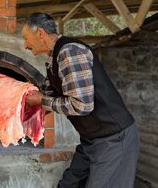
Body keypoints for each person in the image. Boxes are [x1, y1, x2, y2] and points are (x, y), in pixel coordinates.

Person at [23, 13, 139, 188]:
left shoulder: (69, 52)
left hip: (113, 138)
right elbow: (49, 94)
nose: (25, 45)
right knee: (69, 184)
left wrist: (41, 100)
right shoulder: (51, 59)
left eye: (26, 38)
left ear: (40, 33)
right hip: (91, 139)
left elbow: (82, 105)